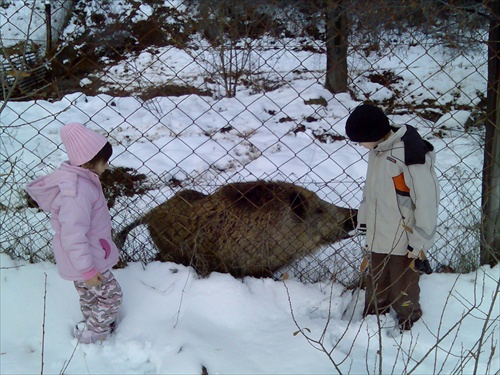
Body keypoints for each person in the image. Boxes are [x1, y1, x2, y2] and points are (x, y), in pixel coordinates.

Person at [26, 122, 123, 344]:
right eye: (104, 162)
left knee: (90, 296)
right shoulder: (77, 192)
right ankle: (96, 334)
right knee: (111, 296)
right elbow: (74, 236)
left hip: (83, 259)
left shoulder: (81, 181)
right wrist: (88, 270)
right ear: (89, 160)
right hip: (88, 261)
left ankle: (93, 323)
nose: (107, 167)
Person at [345, 104, 439, 331]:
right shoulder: (377, 150)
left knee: (403, 284)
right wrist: (365, 220)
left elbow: (426, 201)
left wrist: (420, 241)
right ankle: (373, 320)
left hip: (404, 239)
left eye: (359, 139)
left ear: (372, 134)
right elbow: (371, 191)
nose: (359, 145)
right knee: (376, 282)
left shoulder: (410, 154)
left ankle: (409, 321)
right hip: (380, 233)